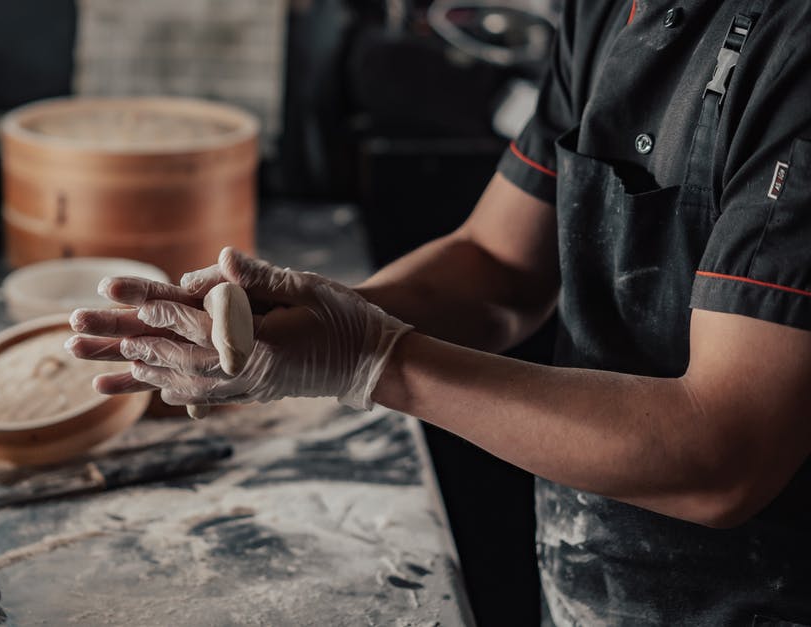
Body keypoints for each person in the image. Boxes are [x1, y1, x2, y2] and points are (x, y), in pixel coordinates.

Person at [66, 1, 811, 624]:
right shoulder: (611, 10)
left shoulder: (795, 51)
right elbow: (497, 266)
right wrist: (316, 322)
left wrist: (372, 361)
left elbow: (724, 456)